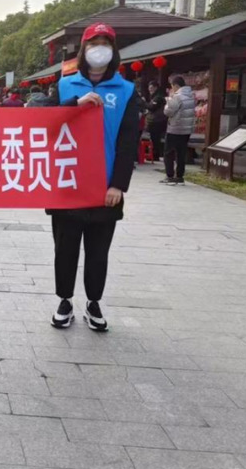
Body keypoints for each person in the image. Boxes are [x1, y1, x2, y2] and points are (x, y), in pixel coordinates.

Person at [47, 22, 138, 333]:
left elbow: (128, 141)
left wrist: (118, 185)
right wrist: (76, 104)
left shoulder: (126, 91)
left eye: (105, 43)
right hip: (67, 184)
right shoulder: (65, 85)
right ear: (83, 50)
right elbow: (45, 124)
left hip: (104, 188)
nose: (100, 48)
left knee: (98, 253)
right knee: (65, 250)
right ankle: (64, 301)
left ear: (113, 50)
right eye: (94, 42)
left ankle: (93, 302)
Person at [162, 76, 196, 185]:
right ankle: (180, 176)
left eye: (172, 86)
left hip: (175, 128)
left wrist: (168, 101)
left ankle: (170, 176)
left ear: (176, 85)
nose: (172, 88)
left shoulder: (177, 97)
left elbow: (168, 112)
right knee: (181, 153)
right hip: (186, 129)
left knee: (168, 152)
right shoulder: (191, 96)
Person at [145, 80, 167, 164]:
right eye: (149, 87)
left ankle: (155, 155)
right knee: (154, 139)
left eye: (151, 87)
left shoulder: (158, 97)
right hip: (155, 120)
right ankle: (154, 154)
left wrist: (144, 103)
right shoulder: (154, 96)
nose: (150, 89)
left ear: (156, 87)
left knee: (155, 139)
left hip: (157, 121)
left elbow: (152, 107)